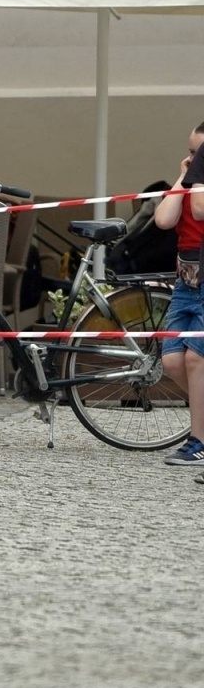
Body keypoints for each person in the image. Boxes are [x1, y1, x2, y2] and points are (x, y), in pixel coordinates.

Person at [153, 121, 204, 466]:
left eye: (198, 154)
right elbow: (163, 220)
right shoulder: (189, 187)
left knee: (195, 359)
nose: (192, 159)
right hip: (185, 283)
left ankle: (197, 440)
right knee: (172, 360)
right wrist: (182, 179)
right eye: (190, 152)